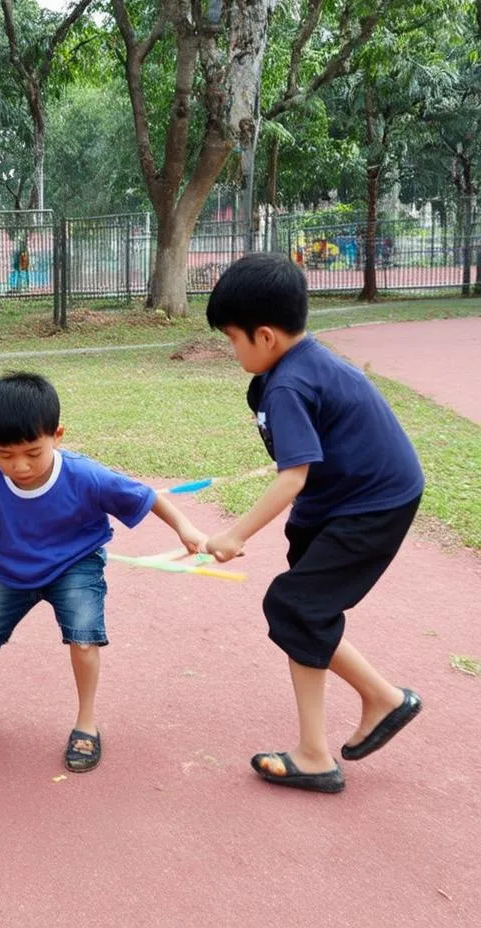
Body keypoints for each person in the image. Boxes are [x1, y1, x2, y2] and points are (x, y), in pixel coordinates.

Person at [204, 252, 425, 793]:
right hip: (342, 500)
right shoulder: (296, 367)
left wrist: (234, 534)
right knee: (305, 615)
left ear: (264, 336)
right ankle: (320, 747)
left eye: (232, 340)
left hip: (373, 503)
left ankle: (378, 702)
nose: (232, 352)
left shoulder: (287, 385)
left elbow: (292, 477)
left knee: (293, 605)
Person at [0, 372, 207, 772]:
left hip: (75, 565)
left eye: (32, 451)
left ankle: (86, 723)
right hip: (11, 571)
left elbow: (146, 496)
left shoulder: (85, 475)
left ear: (57, 435)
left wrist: (185, 527)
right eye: (4, 454)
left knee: (84, 637)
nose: (19, 465)